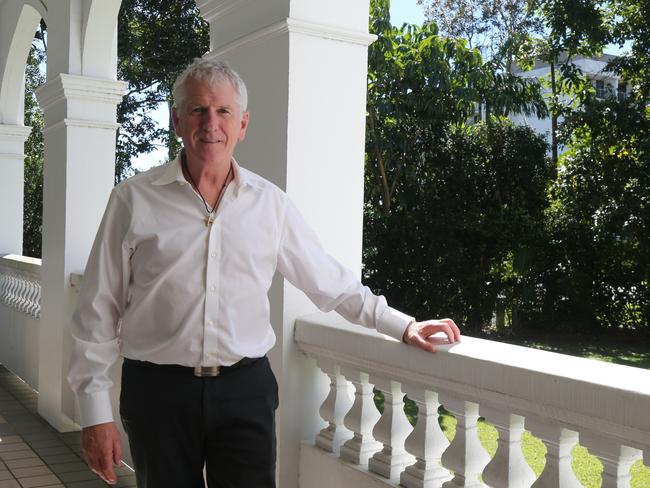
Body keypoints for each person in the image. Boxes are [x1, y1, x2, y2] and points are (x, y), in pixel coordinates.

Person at [67, 57, 461, 488]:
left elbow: (331, 283)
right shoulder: (132, 200)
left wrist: (402, 325)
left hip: (245, 392)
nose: (210, 123)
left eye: (223, 112)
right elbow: (97, 311)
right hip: (157, 394)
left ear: (243, 124)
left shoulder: (270, 204)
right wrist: (94, 414)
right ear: (177, 120)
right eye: (198, 110)